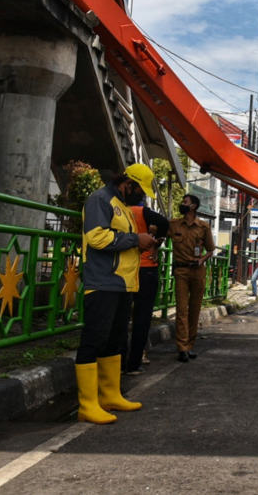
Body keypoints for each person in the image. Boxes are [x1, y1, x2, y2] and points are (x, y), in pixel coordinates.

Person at [75, 163, 158, 424]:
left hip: (122, 284)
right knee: (94, 339)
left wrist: (143, 242)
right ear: (128, 183)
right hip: (102, 282)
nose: (141, 196)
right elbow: (97, 237)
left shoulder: (122, 205)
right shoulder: (100, 200)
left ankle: (110, 395)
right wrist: (136, 240)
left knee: (115, 340)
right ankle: (87, 405)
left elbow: (121, 239)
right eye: (140, 190)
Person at [124, 203, 170, 375]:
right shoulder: (141, 211)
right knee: (141, 318)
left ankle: (120, 362)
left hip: (125, 268)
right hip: (146, 266)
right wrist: (156, 240)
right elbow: (164, 223)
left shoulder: (117, 209)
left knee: (122, 317)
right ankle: (134, 362)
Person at [169, 194, 215, 363]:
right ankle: (182, 348)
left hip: (197, 271)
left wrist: (201, 259)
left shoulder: (203, 227)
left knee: (194, 309)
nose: (182, 204)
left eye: (185, 202)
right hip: (181, 270)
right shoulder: (173, 225)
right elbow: (159, 233)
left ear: (194, 206)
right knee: (182, 309)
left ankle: (190, 345)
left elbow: (210, 249)